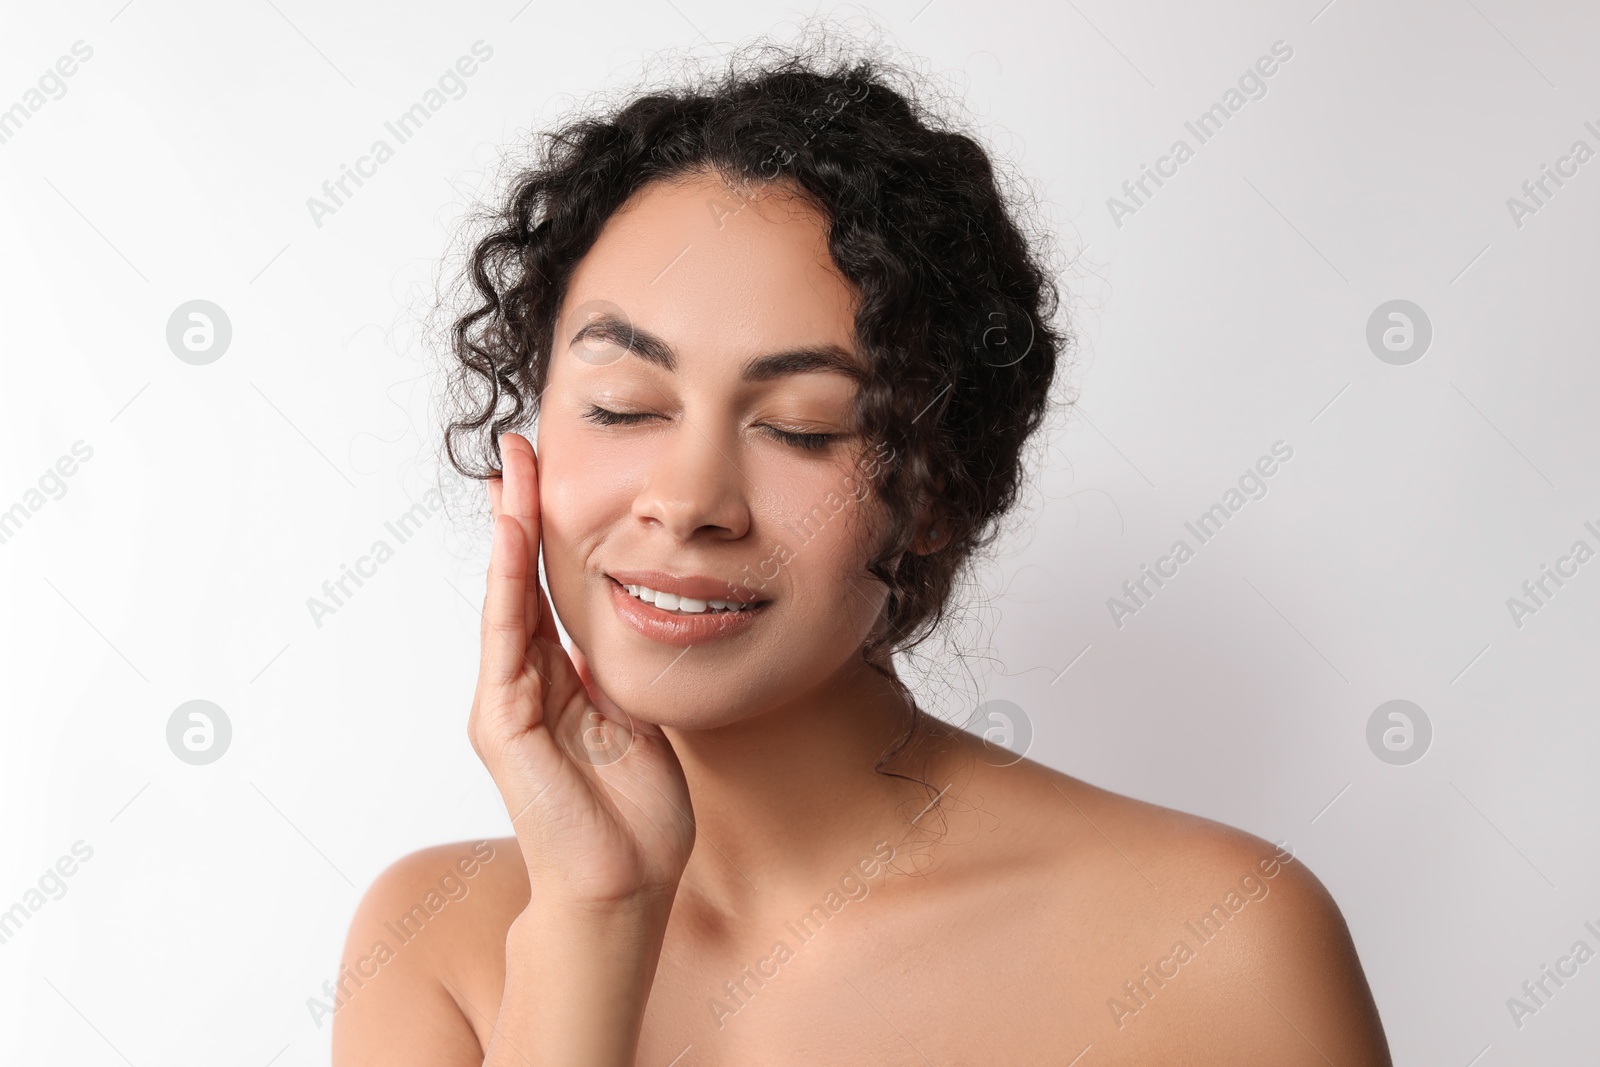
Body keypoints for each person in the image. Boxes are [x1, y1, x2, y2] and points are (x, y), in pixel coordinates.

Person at [332, 34, 1392, 1066]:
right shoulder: (437, 946)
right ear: (531, 449)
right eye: (621, 406)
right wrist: (591, 915)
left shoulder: (1217, 941)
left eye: (802, 426)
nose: (689, 500)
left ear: (931, 489)